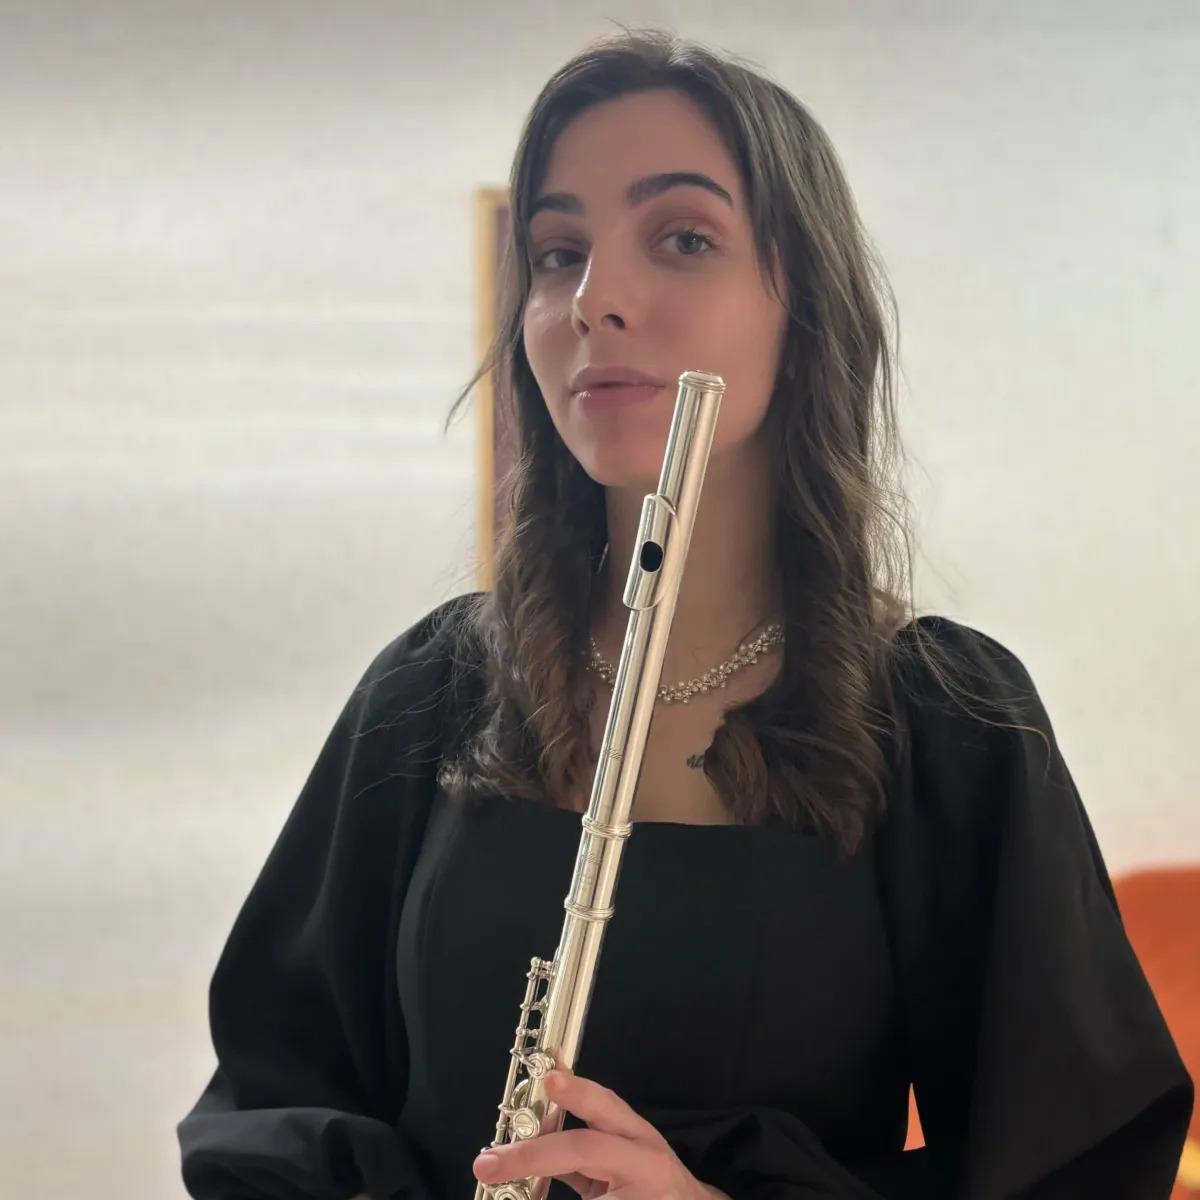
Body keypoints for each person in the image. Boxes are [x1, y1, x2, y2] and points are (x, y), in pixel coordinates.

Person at [177, 28, 1193, 1200]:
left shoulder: (948, 725)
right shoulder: (435, 687)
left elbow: (1082, 1169)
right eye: (557, 253)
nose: (596, 299)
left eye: (684, 238)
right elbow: (273, 1095)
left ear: (803, 307)